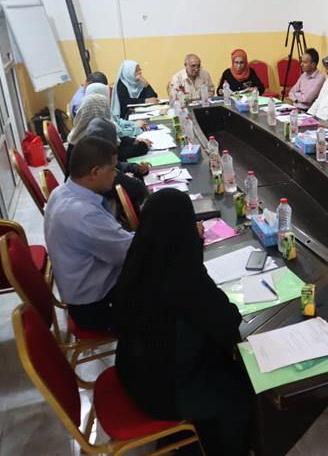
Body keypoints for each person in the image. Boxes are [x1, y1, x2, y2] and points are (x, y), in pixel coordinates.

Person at [114, 189, 253, 456]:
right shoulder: (183, 276)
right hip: (163, 393)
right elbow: (227, 322)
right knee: (241, 392)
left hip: (133, 372)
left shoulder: (141, 258)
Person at [44, 137, 134, 331]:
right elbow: (128, 253)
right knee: (168, 285)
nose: (116, 174)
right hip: (97, 307)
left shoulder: (61, 192)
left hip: (85, 290)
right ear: (95, 172)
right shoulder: (83, 214)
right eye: (113, 168)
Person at [67, 85, 150, 166]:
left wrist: (134, 141)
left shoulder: (82, 132)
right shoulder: (86, 144)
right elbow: (117, 155)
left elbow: (116, 143)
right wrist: (143, 146)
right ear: (100, 111)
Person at [83, 117, 150, 217]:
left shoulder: (90, 156)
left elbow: (119, 165)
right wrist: (131, 177)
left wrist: (136, 168)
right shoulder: (104, 171)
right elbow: (137, 188)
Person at [111, 60, 159, 136]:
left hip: (140, 115)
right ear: (128, 72)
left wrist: (146, 83)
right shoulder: (121, 84)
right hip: (125, 119)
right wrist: (145, 100)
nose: (140, 72)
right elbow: (125, 101)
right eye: (137, 70)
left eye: (140, 69)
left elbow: (153, 97)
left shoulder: (138, 82)